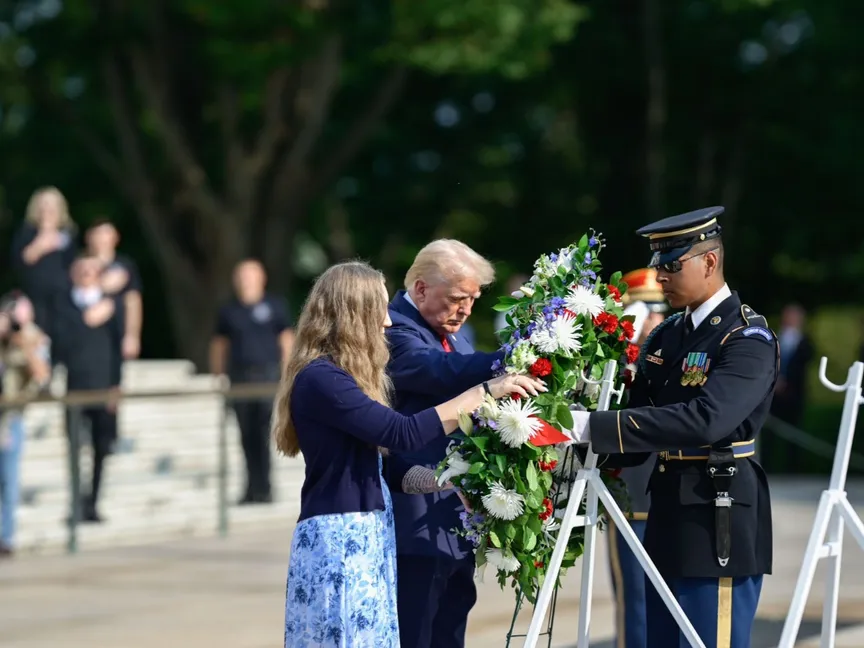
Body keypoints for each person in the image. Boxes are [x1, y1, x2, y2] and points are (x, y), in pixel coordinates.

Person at [271, 261, 545, 648]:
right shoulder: (322, 378)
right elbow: (401, 432)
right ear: (354, 315)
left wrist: (446, 480)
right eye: (379, 310)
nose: (386, 322)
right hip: (339, 540)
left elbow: (388, 465)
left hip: (364, 534)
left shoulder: (338, 377)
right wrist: (485, 393)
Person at [565, 207, 777, 648]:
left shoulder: (746, 339)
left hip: (717, 514)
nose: (660, 275)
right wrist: (563, 439)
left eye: (671, 265)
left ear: (710, 263)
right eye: (658, 264)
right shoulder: (667, 336)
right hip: (666, 511)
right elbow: (637, 423)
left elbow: (707, 419)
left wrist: (591, 427)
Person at [384, 239, 505, 648]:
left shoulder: (455, 335)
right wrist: (512, 360)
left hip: (454, 522)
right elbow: (440, 371)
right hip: (415, 524)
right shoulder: (393, 330)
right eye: (457, 298)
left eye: (472, 298)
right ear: (420, 289)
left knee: (450, 634)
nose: (467, 309)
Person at [607, 267, 668, 648]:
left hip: (670, 493)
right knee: (636, 603)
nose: (657, 320)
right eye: (649, 312)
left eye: (660, 311)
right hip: (632, 498)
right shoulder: (617, 366)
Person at [210, 259, 294, 504]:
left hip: (267, 378)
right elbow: (219, 345)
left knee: (263, 433)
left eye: (249, 276)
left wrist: (287, 373)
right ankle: (249, 488)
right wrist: (218, 375)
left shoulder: (274, 306)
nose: (244, 282)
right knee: (245, 435)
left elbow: (286, 340)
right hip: (239, 379)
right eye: (241, 277)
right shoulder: (228, 311)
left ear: (261, 279)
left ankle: (265, 488)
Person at [55, 254, 123, 523]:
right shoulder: (65, 304)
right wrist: (86, 319)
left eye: (92, 270)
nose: (86, 274)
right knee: (74, 446)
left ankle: (93, 502)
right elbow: (60, 342)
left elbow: (117, 350)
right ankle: (76, 502)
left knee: (101, 446)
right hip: (76, 386)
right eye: (81, 270)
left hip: (103, 386)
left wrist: (116, 385)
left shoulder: (111, 306)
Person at [0, 292, 51, 556]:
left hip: (10, 417)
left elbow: (42, 376)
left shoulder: (34, 339)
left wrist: (23, 343)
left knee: (8, 480)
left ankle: (5, 538)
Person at [10, 187, 78, 344]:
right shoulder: (27, 232)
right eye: (44, 204)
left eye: (52, 204)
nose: (48, 209)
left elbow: (73, 265)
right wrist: (42, 243)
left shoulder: (69, 233)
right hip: (35, 294)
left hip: (62, 294)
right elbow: (21, 261)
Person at [85, 218, 144, 382]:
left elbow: (133, 301)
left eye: (106, 233)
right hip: (87, 333)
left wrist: (132, 335)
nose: (102, 239)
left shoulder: (125, 266)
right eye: (98, 234)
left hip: (115, 332)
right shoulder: (81, 265)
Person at [765, 303, 813, 473]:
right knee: (770, 434)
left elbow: (802, 367)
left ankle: (792, 468)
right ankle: (768, 466)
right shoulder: (773, 337)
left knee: (793, 432)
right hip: (774, 392)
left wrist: (788, 383)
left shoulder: (805, 341)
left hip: (794, 394)